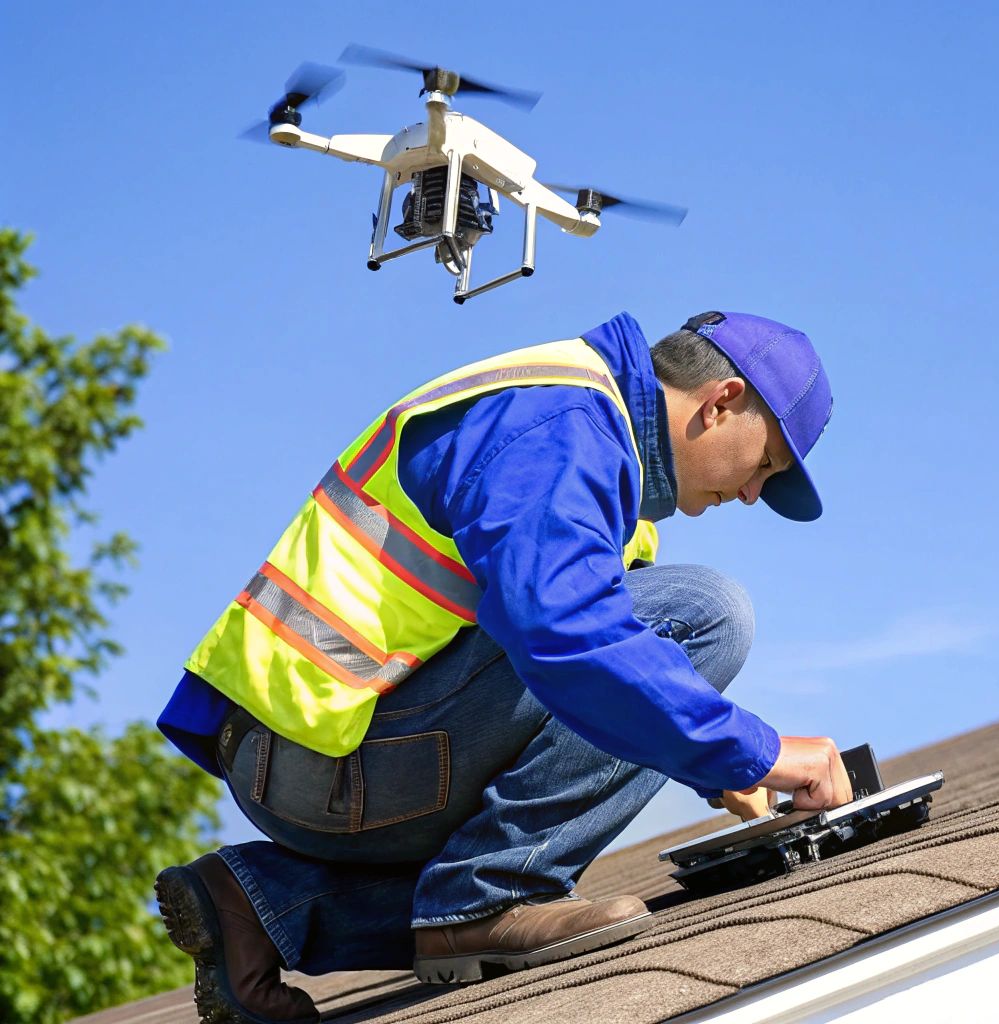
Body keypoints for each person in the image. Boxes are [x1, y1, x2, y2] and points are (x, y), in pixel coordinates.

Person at [152, 311, 850, 1024]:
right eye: (765, 465)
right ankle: (488, 897)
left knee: (627, 677)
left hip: (315, 754)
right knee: (710, 612)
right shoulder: (562, 425)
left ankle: (262, 903)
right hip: (322, 758)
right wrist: (753, 751)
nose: (752, 494)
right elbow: (565, 635)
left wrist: (711, 764)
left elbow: (593, 658)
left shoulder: (596, 461)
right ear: (722, 401)